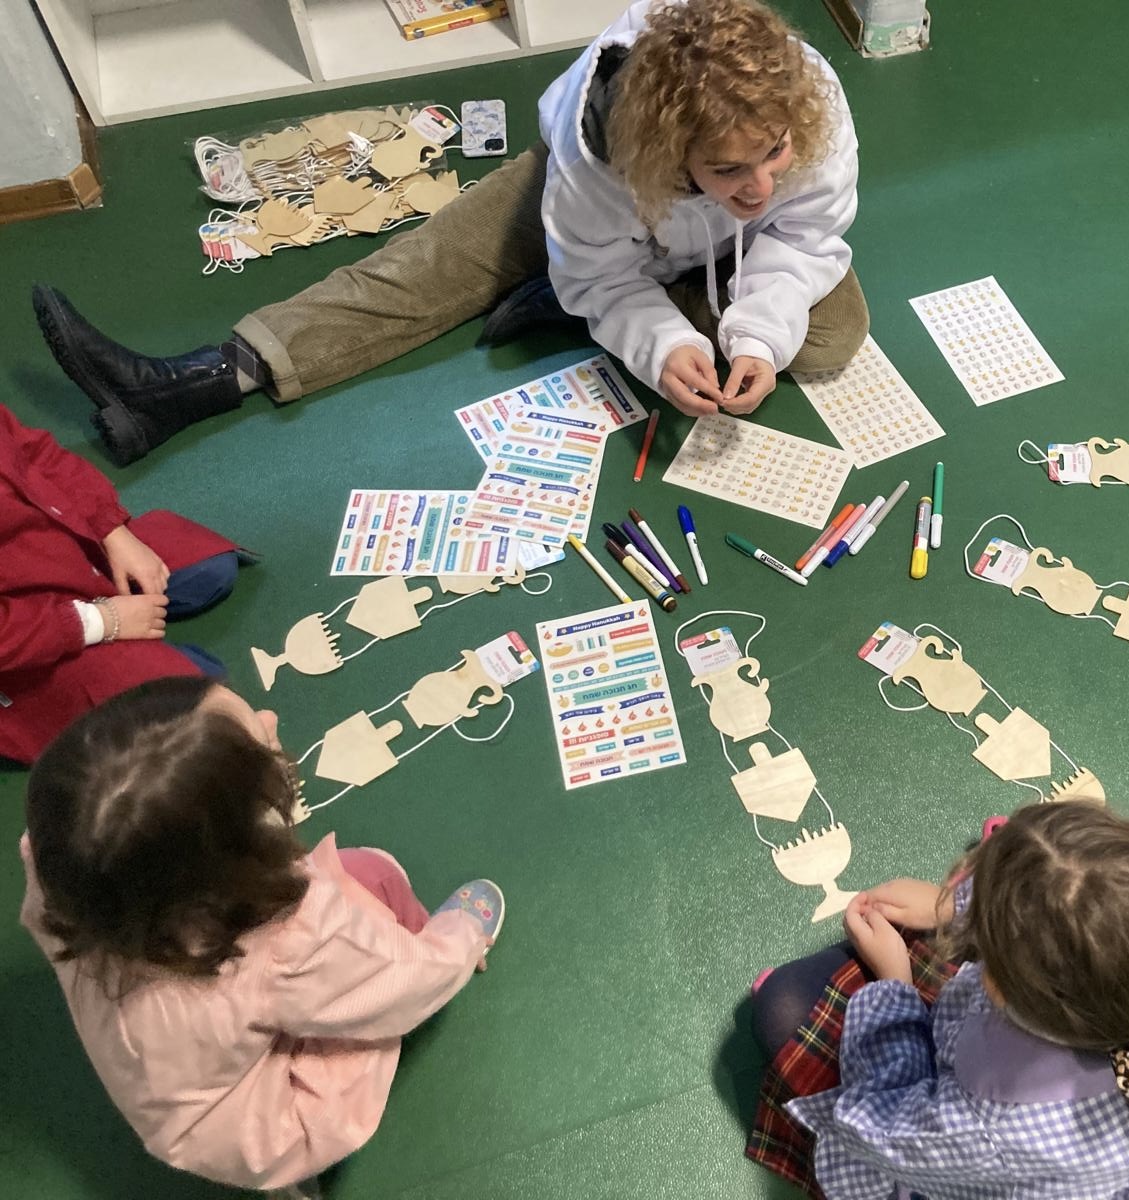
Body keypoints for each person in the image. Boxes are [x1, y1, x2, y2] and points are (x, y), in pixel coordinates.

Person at [33, 0, 867, 465]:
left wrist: (753, 338)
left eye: (776, 154)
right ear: (663, 153)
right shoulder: (599, 155)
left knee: (829, 335)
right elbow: (607, 278)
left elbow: (802, 238)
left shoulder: (804, 105)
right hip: (607, 219)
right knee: (428, 266)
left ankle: (565, 300)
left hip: (720, 258)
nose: (760, 185)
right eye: (728, 171)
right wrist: (647, 332)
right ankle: (190, 383)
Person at [19, 677, 505, 1191]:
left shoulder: (62, 874)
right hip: (258, 1133)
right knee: (375, 873)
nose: (271, 718)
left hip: (169, 1102)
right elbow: (407, 985)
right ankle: (294, 1170)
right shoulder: (286, 941)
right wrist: (462, 936)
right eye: (259, 736)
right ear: (234, 852)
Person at [746, 803, 1129, 1200]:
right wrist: (952, 906)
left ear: (995, 983)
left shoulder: (992, 1122)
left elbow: (879, 1128)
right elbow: (1084, 895)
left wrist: (896, 985)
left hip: (972, 1154)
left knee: (783, 1007)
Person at [0, 400, 248, 765]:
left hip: (65, 551)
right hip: (27, 637)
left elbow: (37, 453)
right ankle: (140, 661)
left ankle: (142, 650)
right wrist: (102, 621)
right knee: (195, 706)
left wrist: (112, 531)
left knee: (211, 569)